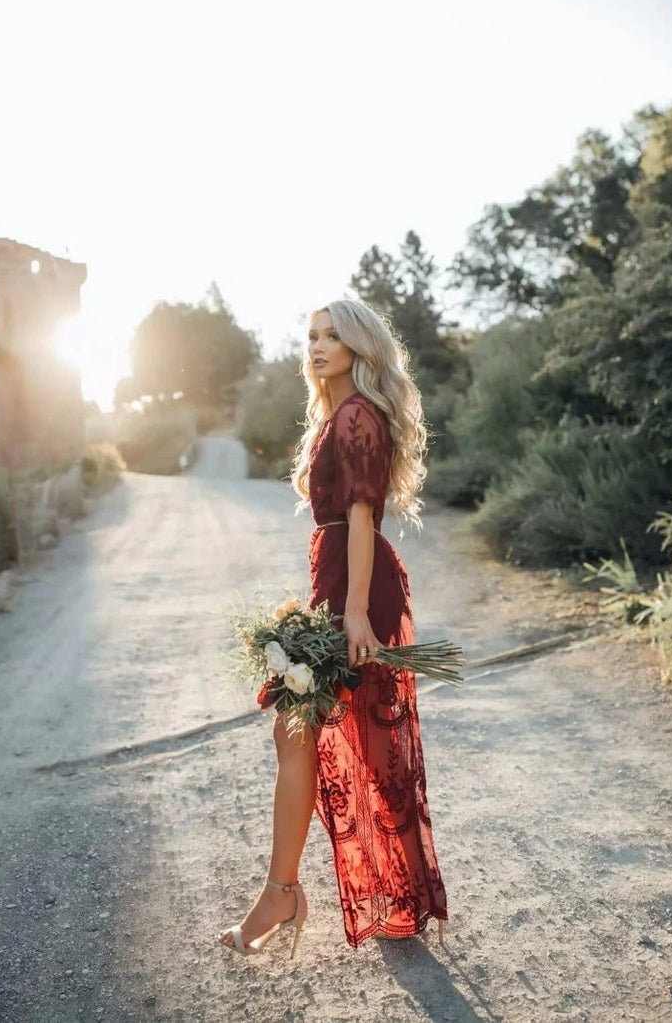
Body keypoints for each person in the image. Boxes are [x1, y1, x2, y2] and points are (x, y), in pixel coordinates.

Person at [220, 298, 448, 955]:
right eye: (311, 334)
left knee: (305, 732)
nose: (317, 345)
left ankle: (284, 893)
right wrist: (320, 605)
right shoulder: (338, 415)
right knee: (326, 739)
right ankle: (307, 891)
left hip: (358, 595)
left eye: (332, 335)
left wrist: (349, 613)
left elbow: (361, 517)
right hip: (339, 589)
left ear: (359, 345)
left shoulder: (357, 416)